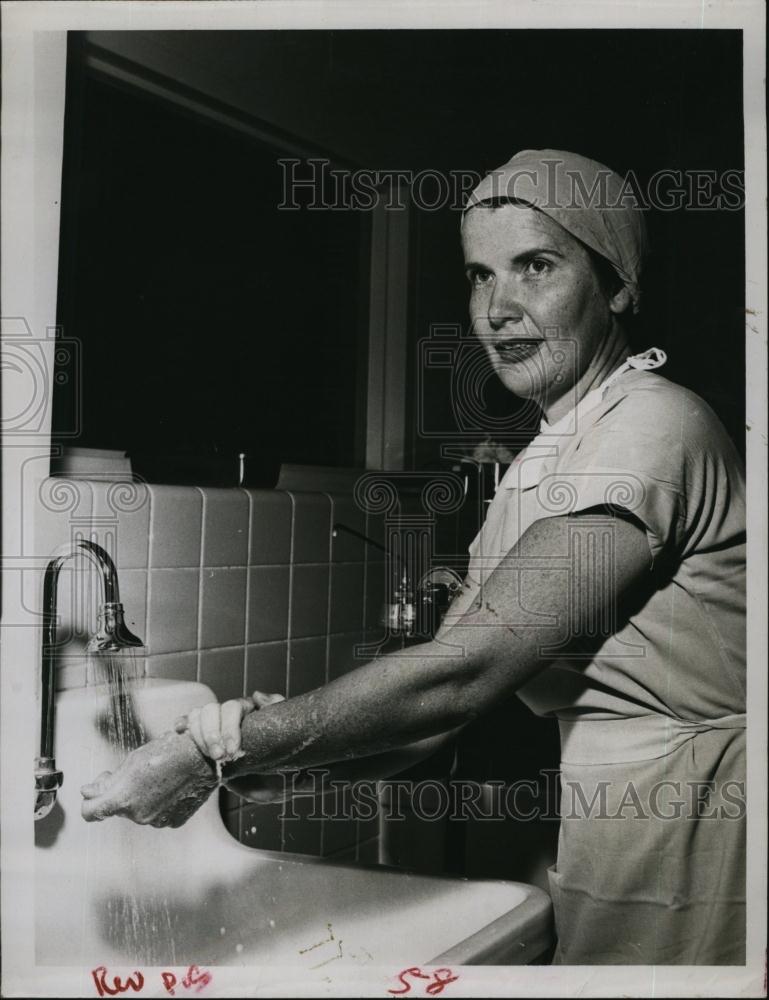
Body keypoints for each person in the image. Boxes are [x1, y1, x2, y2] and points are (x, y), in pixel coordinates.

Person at [81, 149, 746, 965]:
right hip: (615, 816)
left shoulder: (652, 427)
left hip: (711, 818)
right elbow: (447, 699)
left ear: (615, 286)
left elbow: (462, 674)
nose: (498, 308)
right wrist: (264, 761)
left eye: (535, 266)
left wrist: (217, 747)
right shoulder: (543, 458)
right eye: (477, 275)